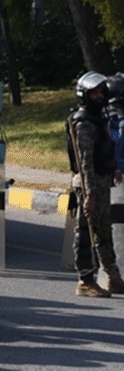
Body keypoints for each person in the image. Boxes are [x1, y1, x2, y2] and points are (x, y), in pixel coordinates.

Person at [65, 71, 124, 296]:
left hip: (102, 181)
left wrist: (113, 169)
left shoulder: (99, 119)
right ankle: (85, 280)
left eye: (101, 92)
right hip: (88, 184)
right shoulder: (84, 123)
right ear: (84, 95)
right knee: (85, 232)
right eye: (94, 93)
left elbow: (103, 150)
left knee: (104, 232)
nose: (99, 96)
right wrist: (89, 194)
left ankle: (113, 277)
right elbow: (85, 162)